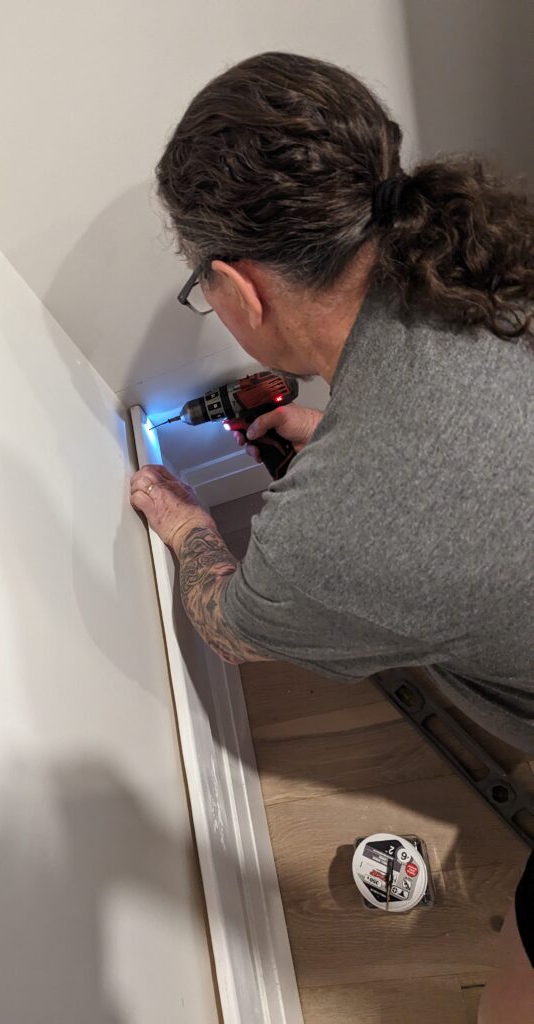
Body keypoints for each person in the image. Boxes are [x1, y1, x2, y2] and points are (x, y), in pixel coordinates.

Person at [129, 53, 533, 1020]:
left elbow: (232, 624)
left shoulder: (342, 540)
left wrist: (185, 521)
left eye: (201, 290)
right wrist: (364, 448)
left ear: (237, 285)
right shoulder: (497, 270)